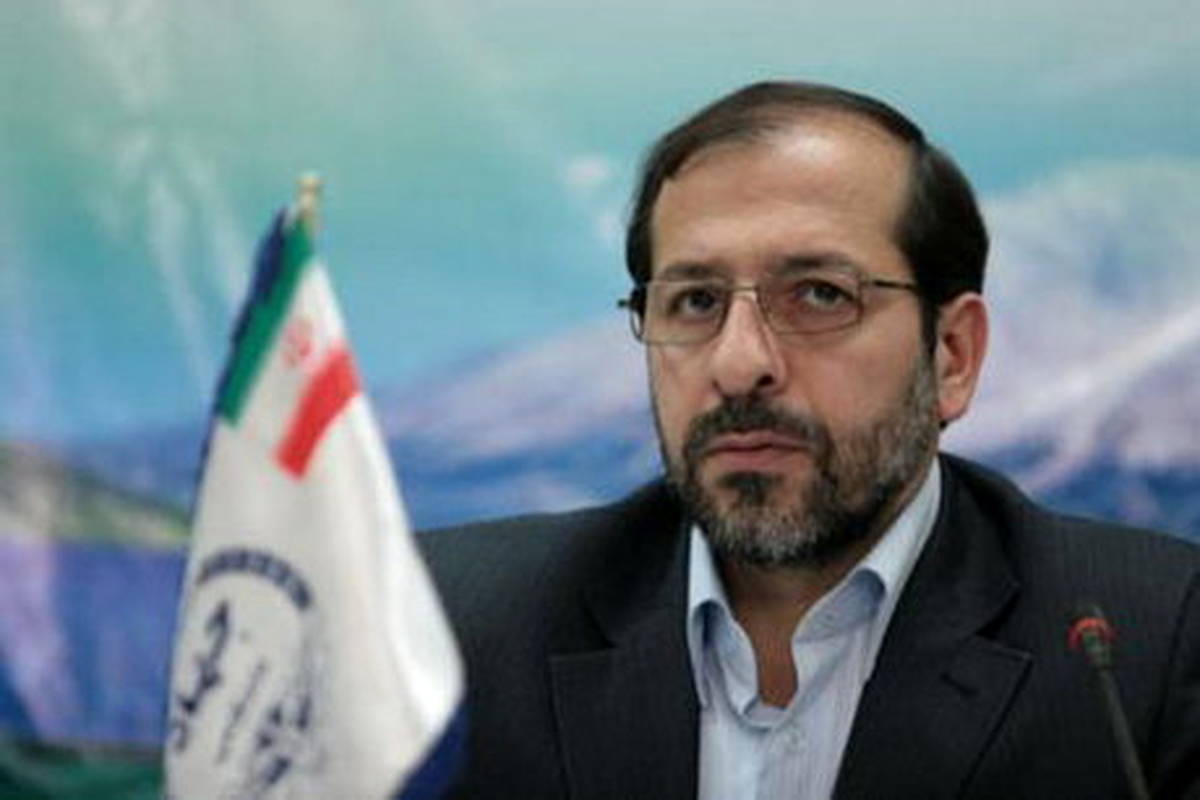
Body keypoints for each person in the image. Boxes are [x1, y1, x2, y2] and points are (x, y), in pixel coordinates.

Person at [419, 81, 1200, 799]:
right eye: (695, 302)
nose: (738, 364)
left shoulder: (1151, 644)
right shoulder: (457, 628)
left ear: (952, 355)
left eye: (821, 295)